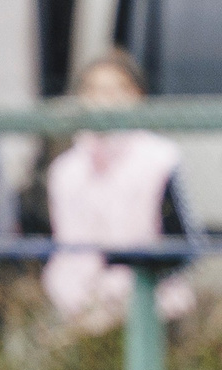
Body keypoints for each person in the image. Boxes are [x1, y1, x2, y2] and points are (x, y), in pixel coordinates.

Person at [42, 50, 195, 333]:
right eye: (95, 90)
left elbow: (183, 246)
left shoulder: (161, 159)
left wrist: (125, 294)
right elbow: (62, 247)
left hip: (152, 308)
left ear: (138, 97)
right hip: (76, 311)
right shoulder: (64, 170)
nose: (105, 99)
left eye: (118, 89)